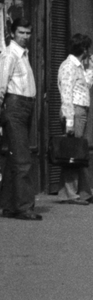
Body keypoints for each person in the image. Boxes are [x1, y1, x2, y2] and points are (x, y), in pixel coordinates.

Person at [0, 15, 41, 220]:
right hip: (15, 106)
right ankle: (24, 206)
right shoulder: (10, 55)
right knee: (23, 158)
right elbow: (1, 84)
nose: (25, 36)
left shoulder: (23, 54)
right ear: (13, 33)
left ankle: (8, 205)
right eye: (21, 33)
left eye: (28, 33)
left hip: (25, 106)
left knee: (13, 156)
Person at [56, 33, 93, 203]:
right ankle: (69, 193)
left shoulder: (78, 66)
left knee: (79, 151)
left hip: (80, 110)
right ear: (84, 49)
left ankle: (83, 192)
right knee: (73, 152)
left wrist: (91, 68)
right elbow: (66, 94)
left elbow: (84, 86)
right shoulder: (68, 66)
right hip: (74, 110)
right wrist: (70, 121)